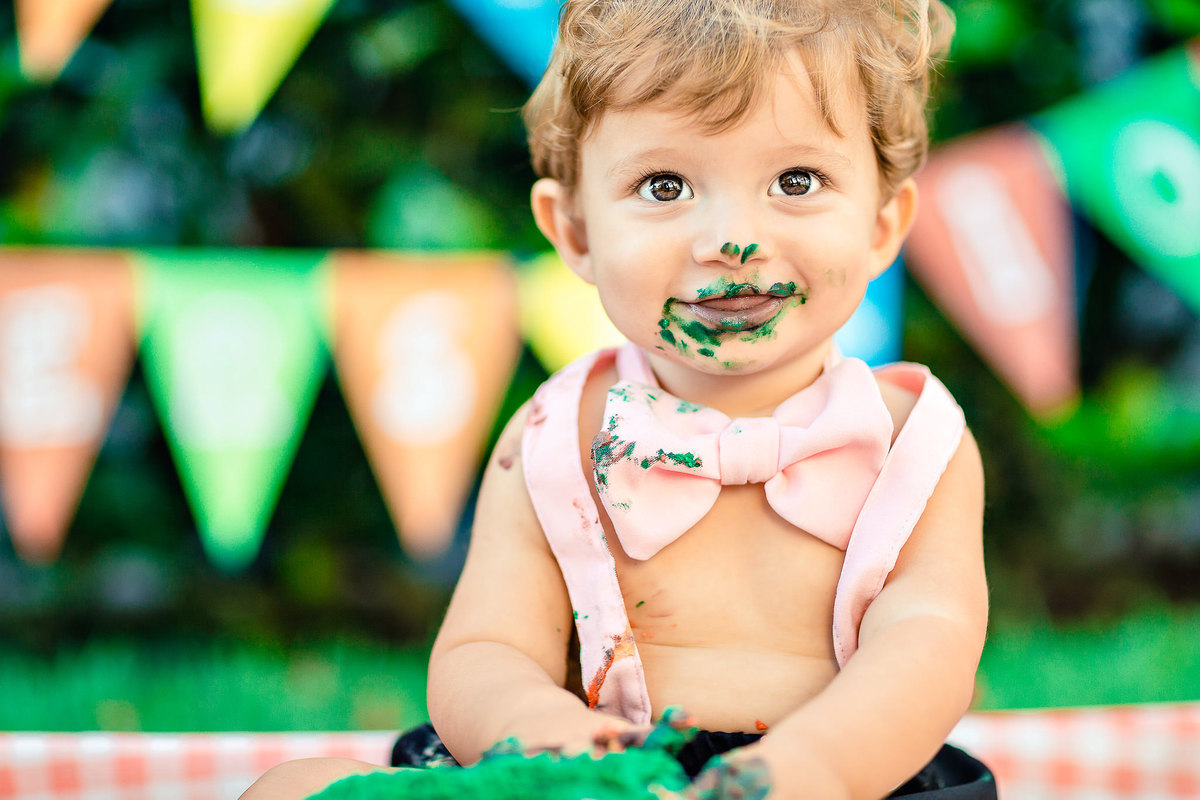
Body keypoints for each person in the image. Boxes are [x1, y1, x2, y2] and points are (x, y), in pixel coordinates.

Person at [242, 1, 992, 797]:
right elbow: (485, 653)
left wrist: (817, 769)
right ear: (576, 233)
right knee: (293, 788)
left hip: (836, 778)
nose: (731, 241)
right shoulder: (556, 436)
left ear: (882, 225)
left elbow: (928, 644)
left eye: (795, 181)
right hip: (592, 776)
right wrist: (559, 741)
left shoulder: (916, 442)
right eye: (664, 185)